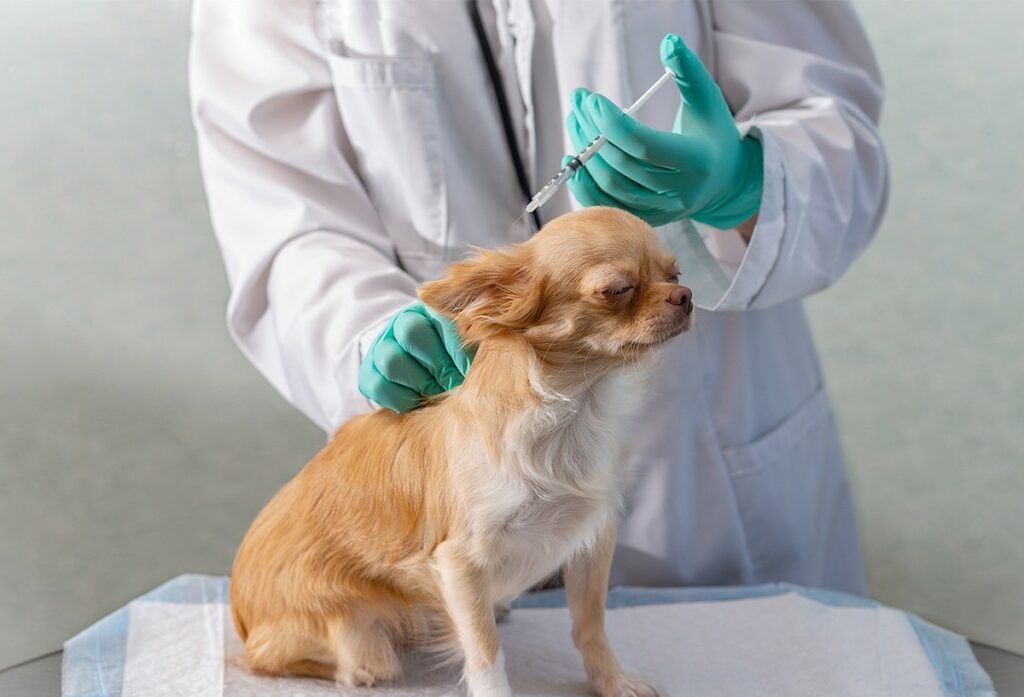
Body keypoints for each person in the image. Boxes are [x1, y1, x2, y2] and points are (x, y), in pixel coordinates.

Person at [189, 0, 888, 595]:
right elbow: (287, 218)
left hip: (706, 471)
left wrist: (744, 181)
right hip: (461, 463)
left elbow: (834, 132)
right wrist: (369, 337)